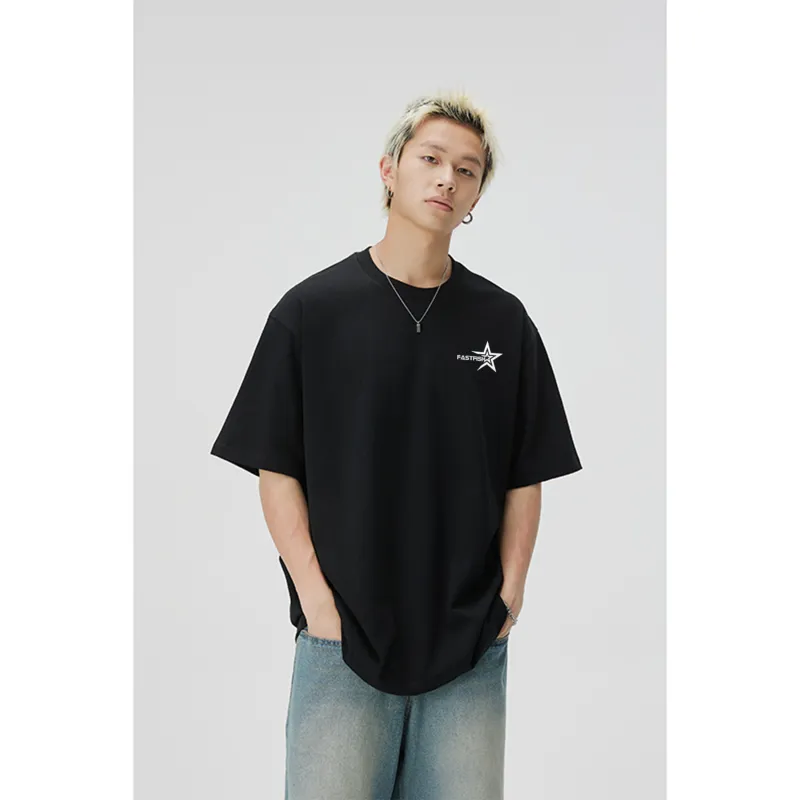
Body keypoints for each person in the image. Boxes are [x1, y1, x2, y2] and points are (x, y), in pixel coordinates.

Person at [210, 90, 582, 799]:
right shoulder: (311, 312)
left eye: (467, 170)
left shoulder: (503, 322)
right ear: (389, 169)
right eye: (431, 159)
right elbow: (275, 467)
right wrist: (319, 606)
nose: (448, 179)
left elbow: (526, 470)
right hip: (341, 645)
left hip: (469, 649)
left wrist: (508, 598)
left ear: (476, 196)